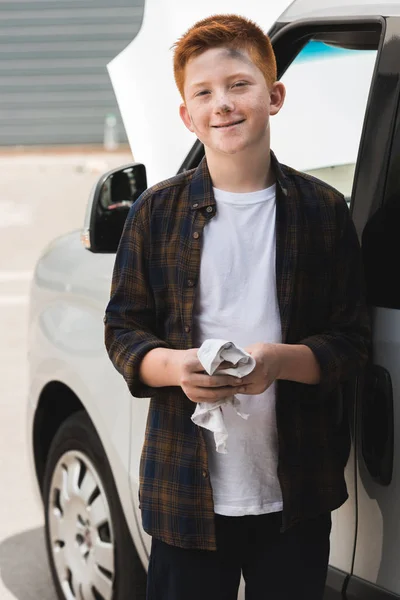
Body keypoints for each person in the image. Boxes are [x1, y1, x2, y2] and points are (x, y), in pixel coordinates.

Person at [104, 13, 370, 600]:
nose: (222, 103)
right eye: (203, 93)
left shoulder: (324, 212)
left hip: (295, 494)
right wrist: (175, 369)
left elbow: (351, 340)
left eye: (238, 85)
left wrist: (281, 362)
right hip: (184, 496)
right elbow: (123, 329)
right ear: (187, 115)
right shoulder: (155, 212)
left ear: (273, 96)